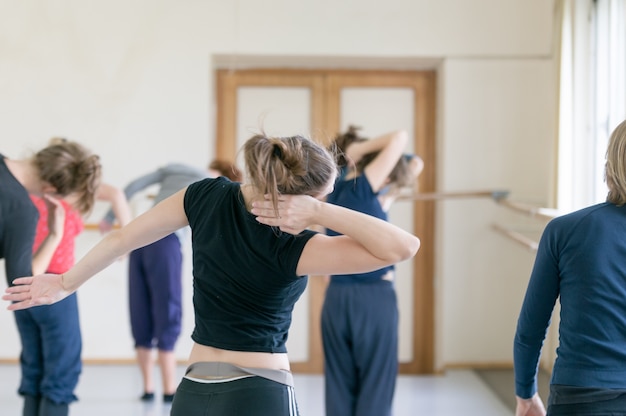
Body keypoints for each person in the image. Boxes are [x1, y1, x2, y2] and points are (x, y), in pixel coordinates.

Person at [3, 133, 420, 416]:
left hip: (194, 391)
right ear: (299, 199)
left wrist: (63, 283)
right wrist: (320, 213)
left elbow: (123, 238)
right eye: (319, 198)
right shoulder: (297, 248)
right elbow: (402, 247)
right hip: (261, 392)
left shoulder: (202, 195)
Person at [99, 160, 239, 403]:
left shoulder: (176, 168)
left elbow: (132, 186)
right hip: (166, 244)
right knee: (168, 311)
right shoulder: (220, 186)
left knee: (139, 311)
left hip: (139, 239)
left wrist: (110, 215)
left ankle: (148, 388)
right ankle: (168, 389)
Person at [513, 119, 626, 416]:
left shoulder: (565, 230)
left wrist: (526, 393)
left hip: (582, 395)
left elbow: (531, 326)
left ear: (610, 165)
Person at [321, 126, 424, 416]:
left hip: (336, 299)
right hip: (373, 298)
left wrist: (357, 154)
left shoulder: (333, 192)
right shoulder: (366, 187)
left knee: (339, 381)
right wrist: (361, 151)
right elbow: (407, 149)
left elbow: (414, 165)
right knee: (376, 380)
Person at [0, 139, 101, 416]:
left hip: (28, 300)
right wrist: (55, 234)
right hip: (50, 288)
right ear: (52, 190)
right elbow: (25, 282)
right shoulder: (23, 209)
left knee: (34, 367)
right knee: (61, 371)